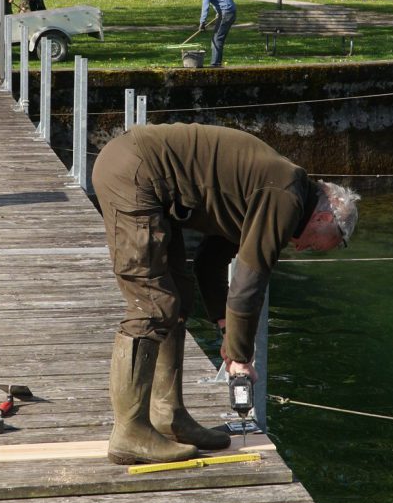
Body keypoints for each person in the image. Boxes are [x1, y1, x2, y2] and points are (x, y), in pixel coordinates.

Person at [91, 122, 360, 465]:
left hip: (147, 179)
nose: (310, 249)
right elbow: (249, 283)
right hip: (134, 172)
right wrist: (240, 356)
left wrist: (224, 325)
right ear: (324, 216)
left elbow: (209, 264)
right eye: (323, 244)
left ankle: (168, 415)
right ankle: (129, 433)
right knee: (152, 304)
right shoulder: (285, 197)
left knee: (177, 301)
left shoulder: (270, 195)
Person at [185, 0, 237, 67]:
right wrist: (218, 12)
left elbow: (205, 5)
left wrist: (202, 22)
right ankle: (217, 64)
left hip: (227, 12)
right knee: (218, 39)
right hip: (228, 11)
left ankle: (215, 65)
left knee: (217, 39)